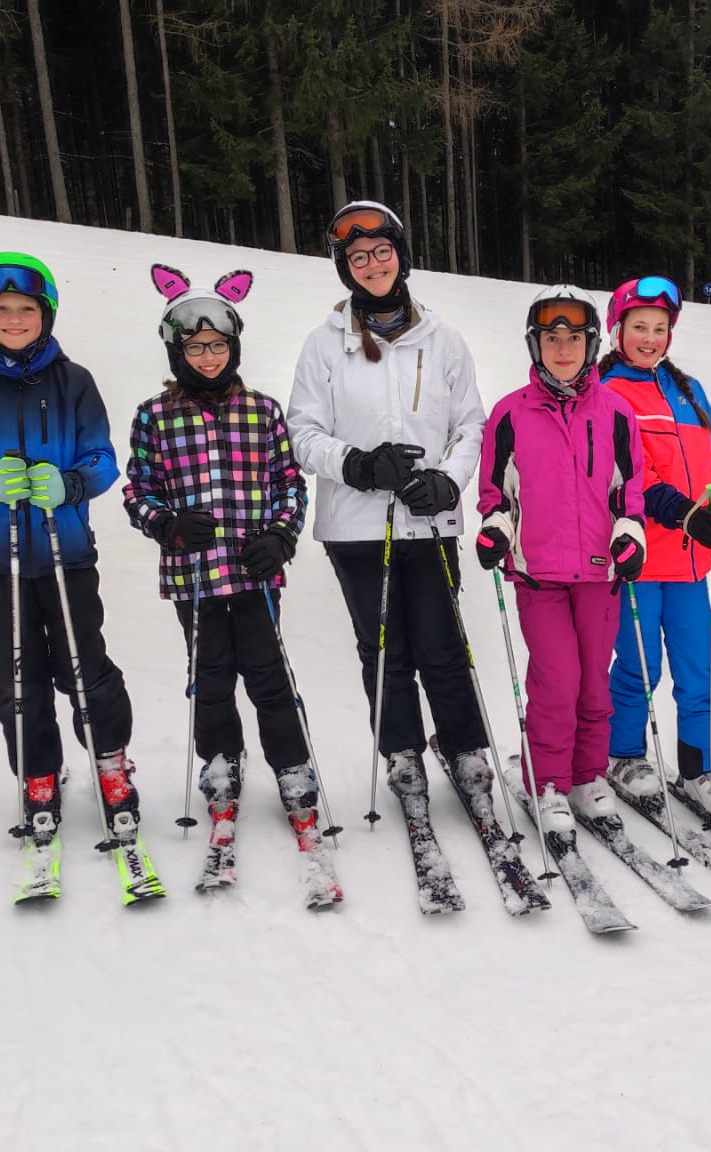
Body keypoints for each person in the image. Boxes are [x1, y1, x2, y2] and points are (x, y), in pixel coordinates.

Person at [286, 201, 494, 807]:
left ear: (401, 257)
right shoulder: (324, 344)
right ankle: (402, 752)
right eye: (358, 257)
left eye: (381, 252)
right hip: (355, 527)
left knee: (443, 641)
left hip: (429, 522)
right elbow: (303, 432)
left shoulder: (443, 339)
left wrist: (449, 480)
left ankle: (464, 747)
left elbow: (470, 425)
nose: (372, 264)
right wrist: (356, 464)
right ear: (345, 268)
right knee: (383, 648)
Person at [0, 252, 135, 843]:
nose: (14, 319)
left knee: (85, 667)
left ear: (45, 314)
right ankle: (38, 774)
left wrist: (71, 483)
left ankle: (110, 762)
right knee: (17, 676)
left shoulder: (74, 381)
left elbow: (102, 459)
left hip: (67, 554)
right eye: (1, 308)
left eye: (26, 308)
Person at [123, 265, 319, 835]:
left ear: (233, 347)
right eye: (195, 347)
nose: (208, 358)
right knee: (209, 675)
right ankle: (219, 762)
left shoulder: (262, 410)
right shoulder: (155, 415)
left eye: (217, 346)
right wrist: (168, 525)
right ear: (176, 352)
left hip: (254, 572)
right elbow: (138, 489)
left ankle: (292, 765)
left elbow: (289, 483)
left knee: (268, 671)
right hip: (196, 575)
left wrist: (280, 536)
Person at [475, 287, 646, 834]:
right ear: (536, 345)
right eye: (552, 339)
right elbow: (496, 493)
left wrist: (629, 534)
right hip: (538, 574)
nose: (563, 349)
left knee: (594, 682)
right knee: (556, 681)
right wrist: (497, 529)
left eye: (574, 339)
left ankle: (587, 776)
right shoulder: (510, 413)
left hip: (600, 574)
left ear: (592, 344)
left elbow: (629, 491)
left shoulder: (616, 411)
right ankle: (548, 782)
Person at [601, 276, 711, 816]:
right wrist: (684, 513)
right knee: (638, 667)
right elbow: (629, 474)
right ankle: (624, 754)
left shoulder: (688, 391)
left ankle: (701, 767)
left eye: (660, 329)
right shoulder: (608, 392)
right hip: (639, 560)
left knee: (700, 671)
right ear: (617, 331)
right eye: (639, 327)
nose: (650, 338)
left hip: (692, 564)